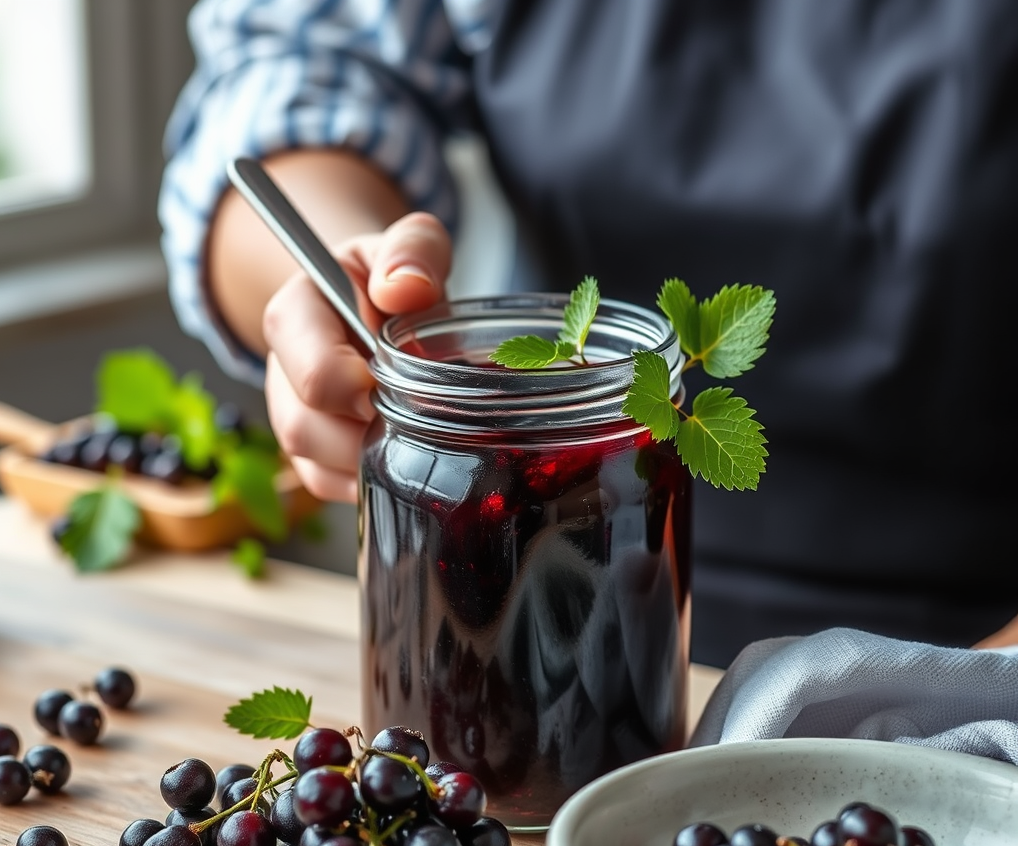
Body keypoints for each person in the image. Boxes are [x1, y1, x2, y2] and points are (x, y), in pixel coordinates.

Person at [160, 0, 1018, 668]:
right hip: (563, 577)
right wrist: (348, 282)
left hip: (979, 633)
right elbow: (304, 66)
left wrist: (945, 704)